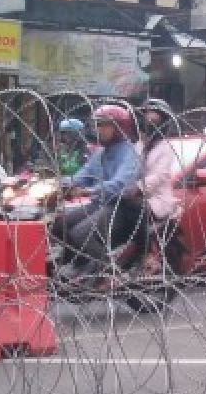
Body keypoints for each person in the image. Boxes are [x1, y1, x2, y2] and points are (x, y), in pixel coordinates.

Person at [57, 105, 142, 280]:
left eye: (103, 125)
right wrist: (56, 183)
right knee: (58, 223)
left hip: (119, 207)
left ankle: (109, 272)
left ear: (119, 127)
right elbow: (83, 175)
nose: (98, 130)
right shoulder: (101, 152)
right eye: (97, 125)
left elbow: (122, 185)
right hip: (99, 204)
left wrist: (88, 191)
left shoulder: (129, 152)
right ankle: (80, 262)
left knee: (81, 232)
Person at [133, 103, 183, 276]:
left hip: (156, 201)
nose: (149, 123)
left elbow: (160, 175)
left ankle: (146, 255)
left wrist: (138, 187)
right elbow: (130, 168)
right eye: (146, 119)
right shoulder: (138, 145)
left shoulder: (165, 148)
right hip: (136, 196)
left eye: (154, 120)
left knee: (134, 211)